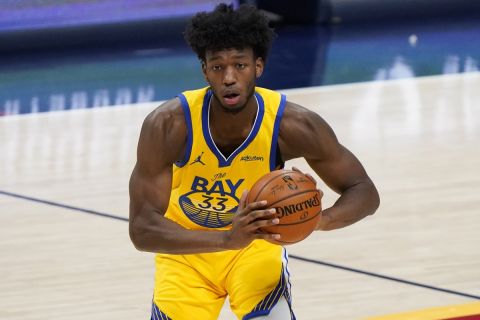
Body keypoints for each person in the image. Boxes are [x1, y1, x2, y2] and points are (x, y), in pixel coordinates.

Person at [129, 3, 380, 320]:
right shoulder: (168, 125)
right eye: (218, 67)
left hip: (256, 246)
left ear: (258, 67)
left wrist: (321, 220)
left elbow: (364, 191)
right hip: (187, 251)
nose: (229, 77)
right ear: (205, 71)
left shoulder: (293, 124)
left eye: (240, 65)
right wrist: (225, 238)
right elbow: (142, 228)